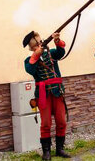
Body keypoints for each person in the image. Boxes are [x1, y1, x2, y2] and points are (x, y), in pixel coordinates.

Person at [23, 31, 70, 160]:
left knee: (61, 122)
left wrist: (57, 40)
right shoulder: (29, 60)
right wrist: (35, 56)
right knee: (46, 124)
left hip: (57, 92)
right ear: (32, 48)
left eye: (40, 42)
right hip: (43, 95)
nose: (40, 44)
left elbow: (61, 52)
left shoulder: (51, 53)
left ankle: (60, 149)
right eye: (37, 44)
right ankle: (46, 152)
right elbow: (30, 69)